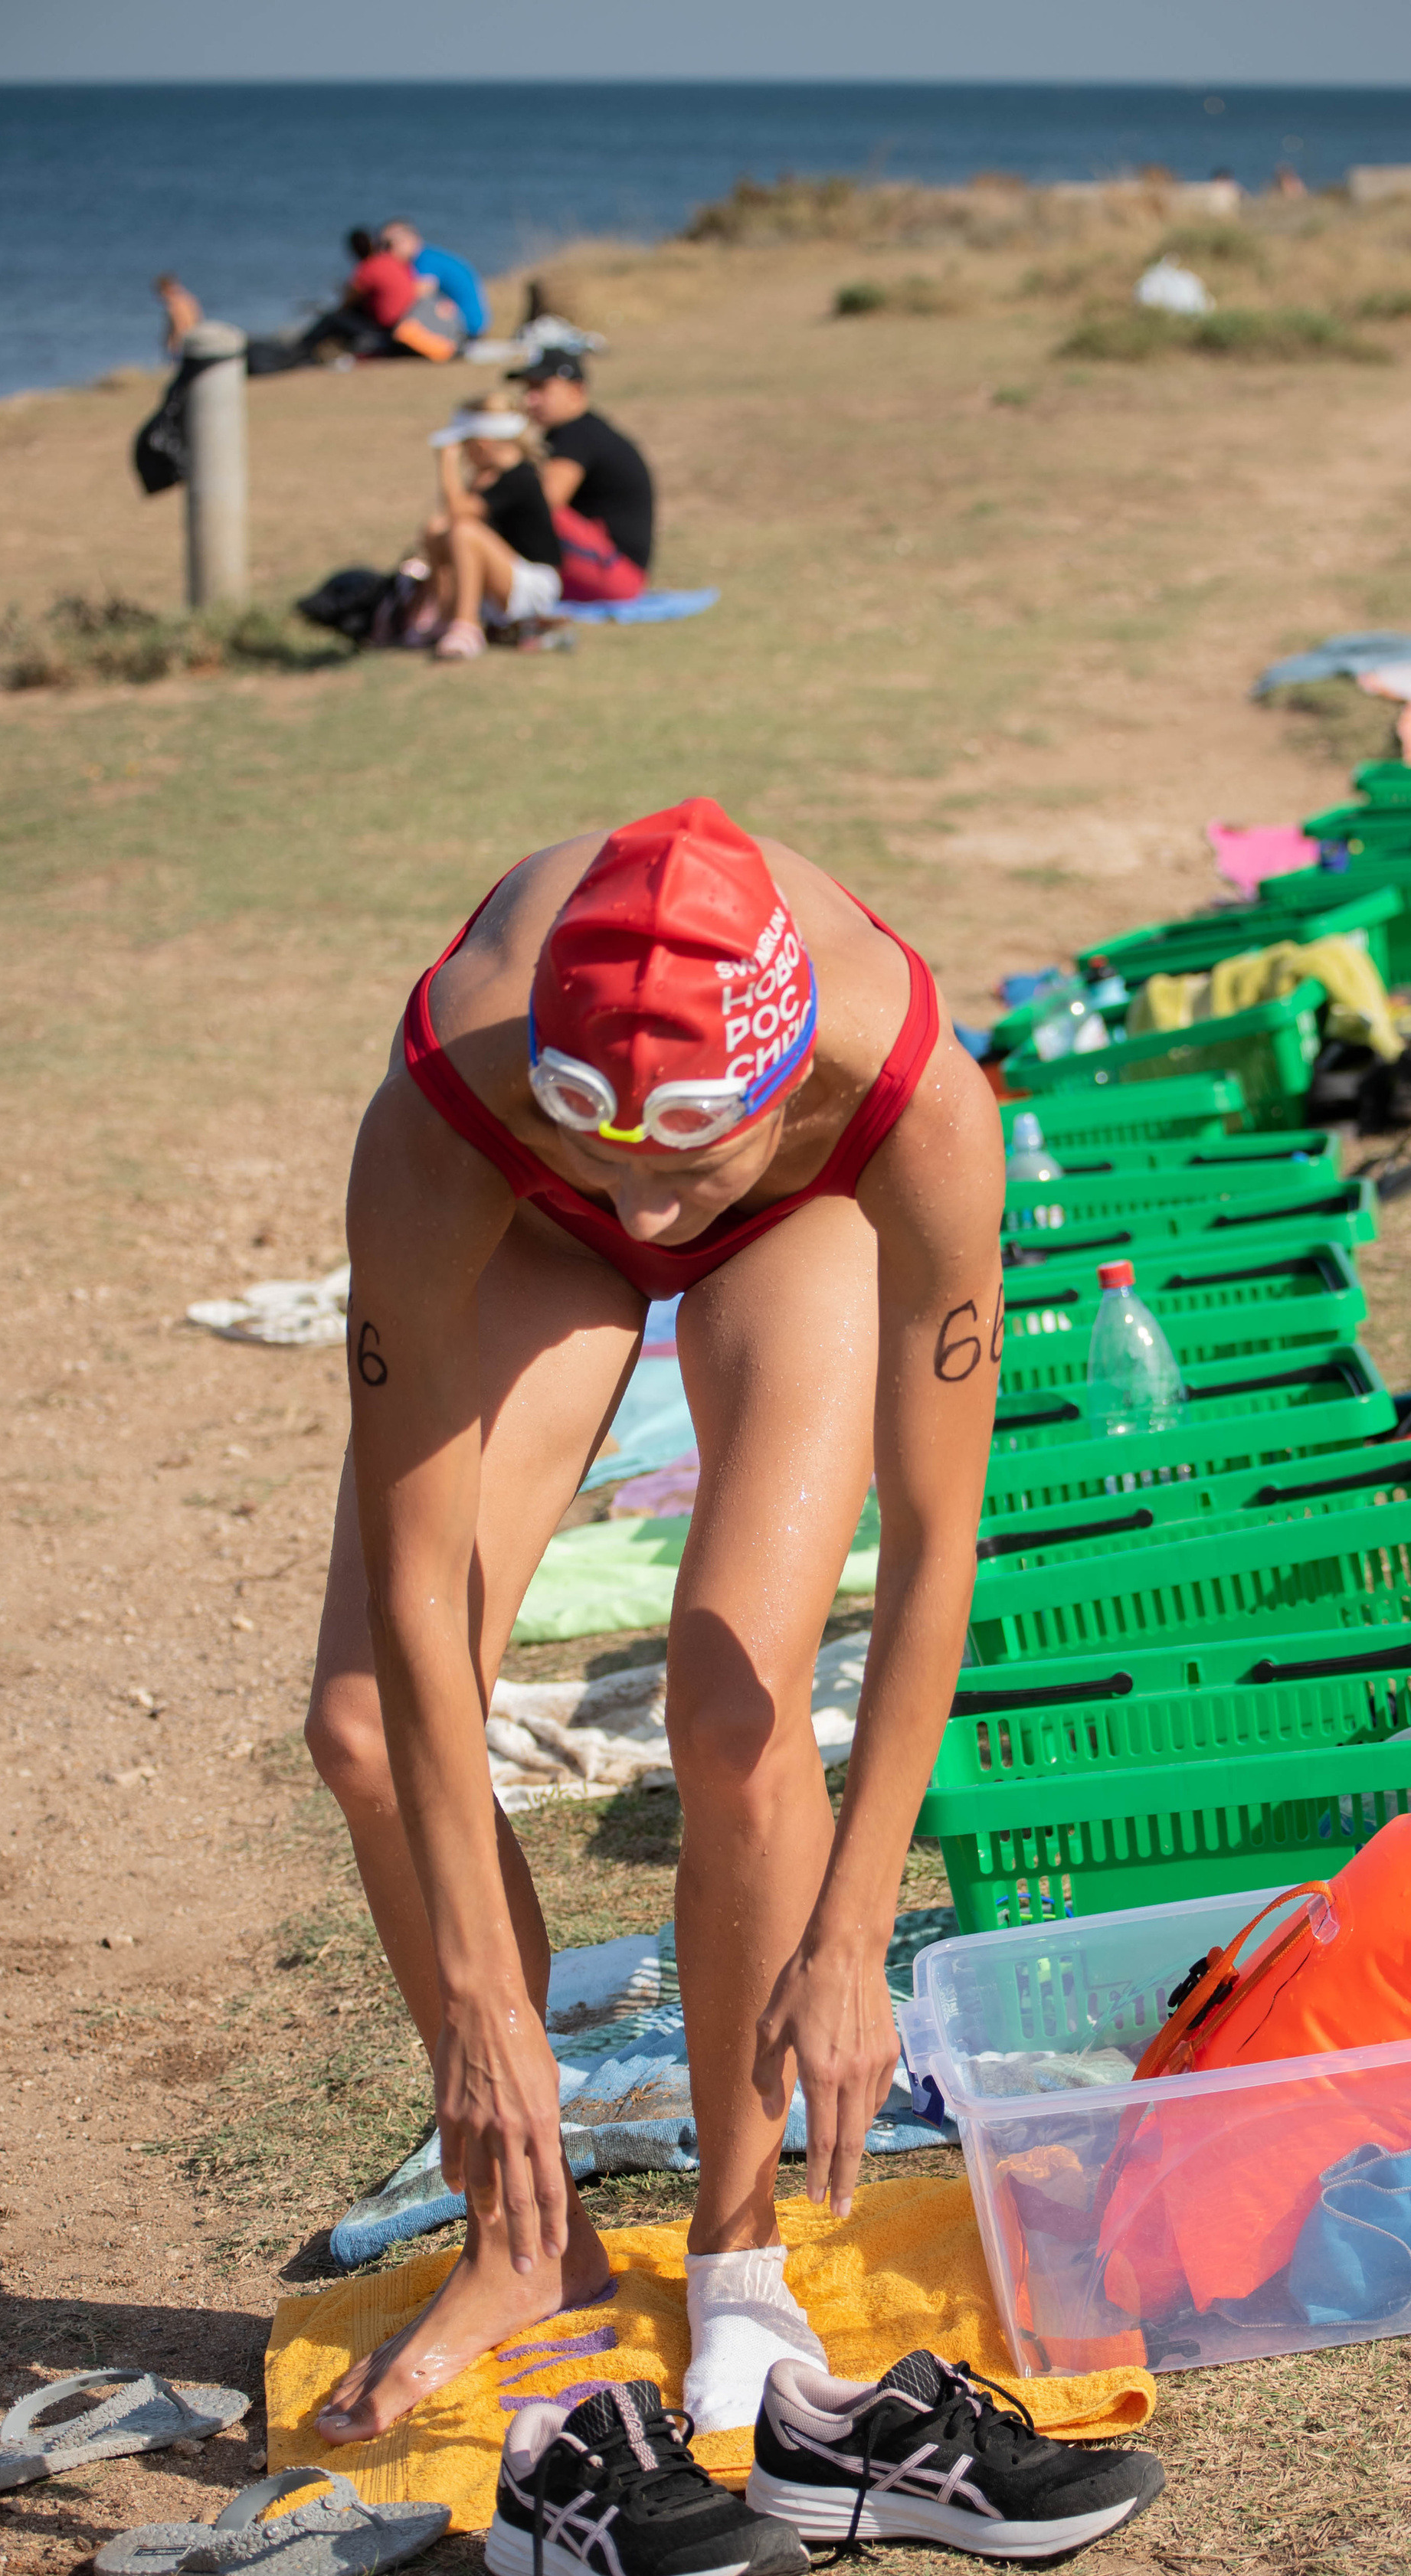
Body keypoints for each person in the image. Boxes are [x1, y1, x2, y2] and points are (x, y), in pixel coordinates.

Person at [303, 799, 1003, 2447]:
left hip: (802, 1216)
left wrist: (849, 1929)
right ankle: (522, 2248)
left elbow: (932, 1542)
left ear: (767, 1093)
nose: (650, 1212)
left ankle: (737, 2256)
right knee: (360, 1733)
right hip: (519, 1229)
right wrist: (480, 1997)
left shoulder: (912, 1106)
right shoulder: (443, 1108)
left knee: (733, 1717)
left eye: (678, 1166)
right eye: (603, 1155)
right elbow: (416, 1578)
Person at [409, 397, 563, 661]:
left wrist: (446, 463)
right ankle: (444, 616)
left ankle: (466, 626)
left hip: (534, 583)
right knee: (438, 529)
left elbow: (458, 513)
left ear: (481, 443)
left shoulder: (520, 477)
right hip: (506, 576)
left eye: (464, 445)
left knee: (463, 531)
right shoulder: (486, 478)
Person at [511, 348, 653, 603]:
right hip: (613, 570)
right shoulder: (575, 432)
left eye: (540, 388)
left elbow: (542, 504)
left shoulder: (576, 435)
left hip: (616, 575)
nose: (529, 400)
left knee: (519, 508)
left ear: (576, 390)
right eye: (528, 389)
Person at [381, 219, 489, 342]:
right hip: (468, 323)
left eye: (390, 244)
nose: (386, 251)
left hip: (465, 326)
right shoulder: (430, 256)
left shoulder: (425, 261)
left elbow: (417, 295)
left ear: (411, 239)